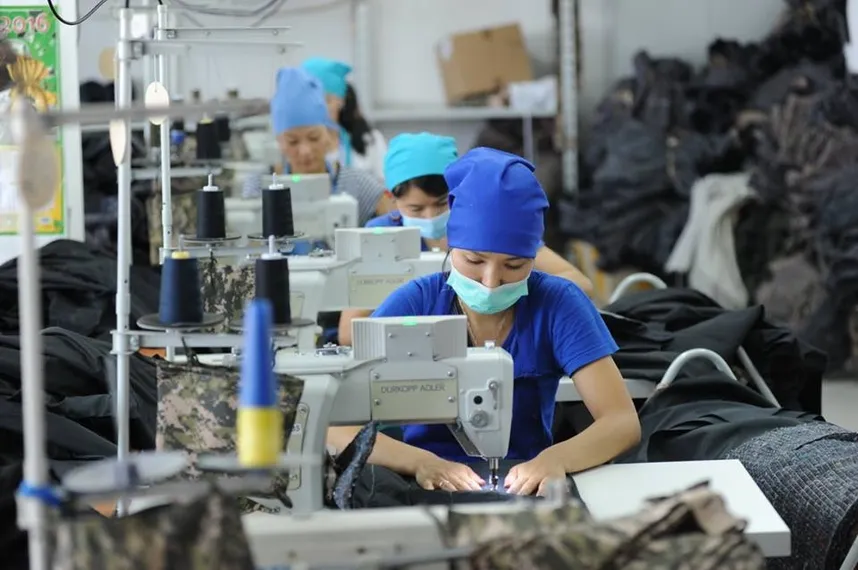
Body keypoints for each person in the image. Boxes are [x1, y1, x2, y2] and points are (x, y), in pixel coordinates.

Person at [327, 147, 640, 496]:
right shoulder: (416, 303)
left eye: (514, 266)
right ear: (451, 244)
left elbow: (621, 421)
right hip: (421, 483)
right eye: (474, 261)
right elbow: (334, 424)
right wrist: (419, 462)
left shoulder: (558, 303)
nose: (491, 282)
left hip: (527, 479)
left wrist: (556, 459)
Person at [337, 132, 594, 345]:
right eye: (416, 209)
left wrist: (518, 292)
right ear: (391, 198)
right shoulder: (380, 237)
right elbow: (349, 334)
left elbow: (580, 284)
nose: (430, 217)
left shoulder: (487, 228)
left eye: (441, 204)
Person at [243, 67, 393, 236]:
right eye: (293, 141)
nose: (305, 151)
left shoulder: (357, 185)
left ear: (329, 136)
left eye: (314, 138)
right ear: (279, 142)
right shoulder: (259, 186)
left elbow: (398, 224)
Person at [301, 57, 387, 179]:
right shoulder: (299, 148)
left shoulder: (369, 141)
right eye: (312, 102)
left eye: (327, 100)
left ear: (341, 101)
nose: (320, 108)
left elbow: (386, 185)